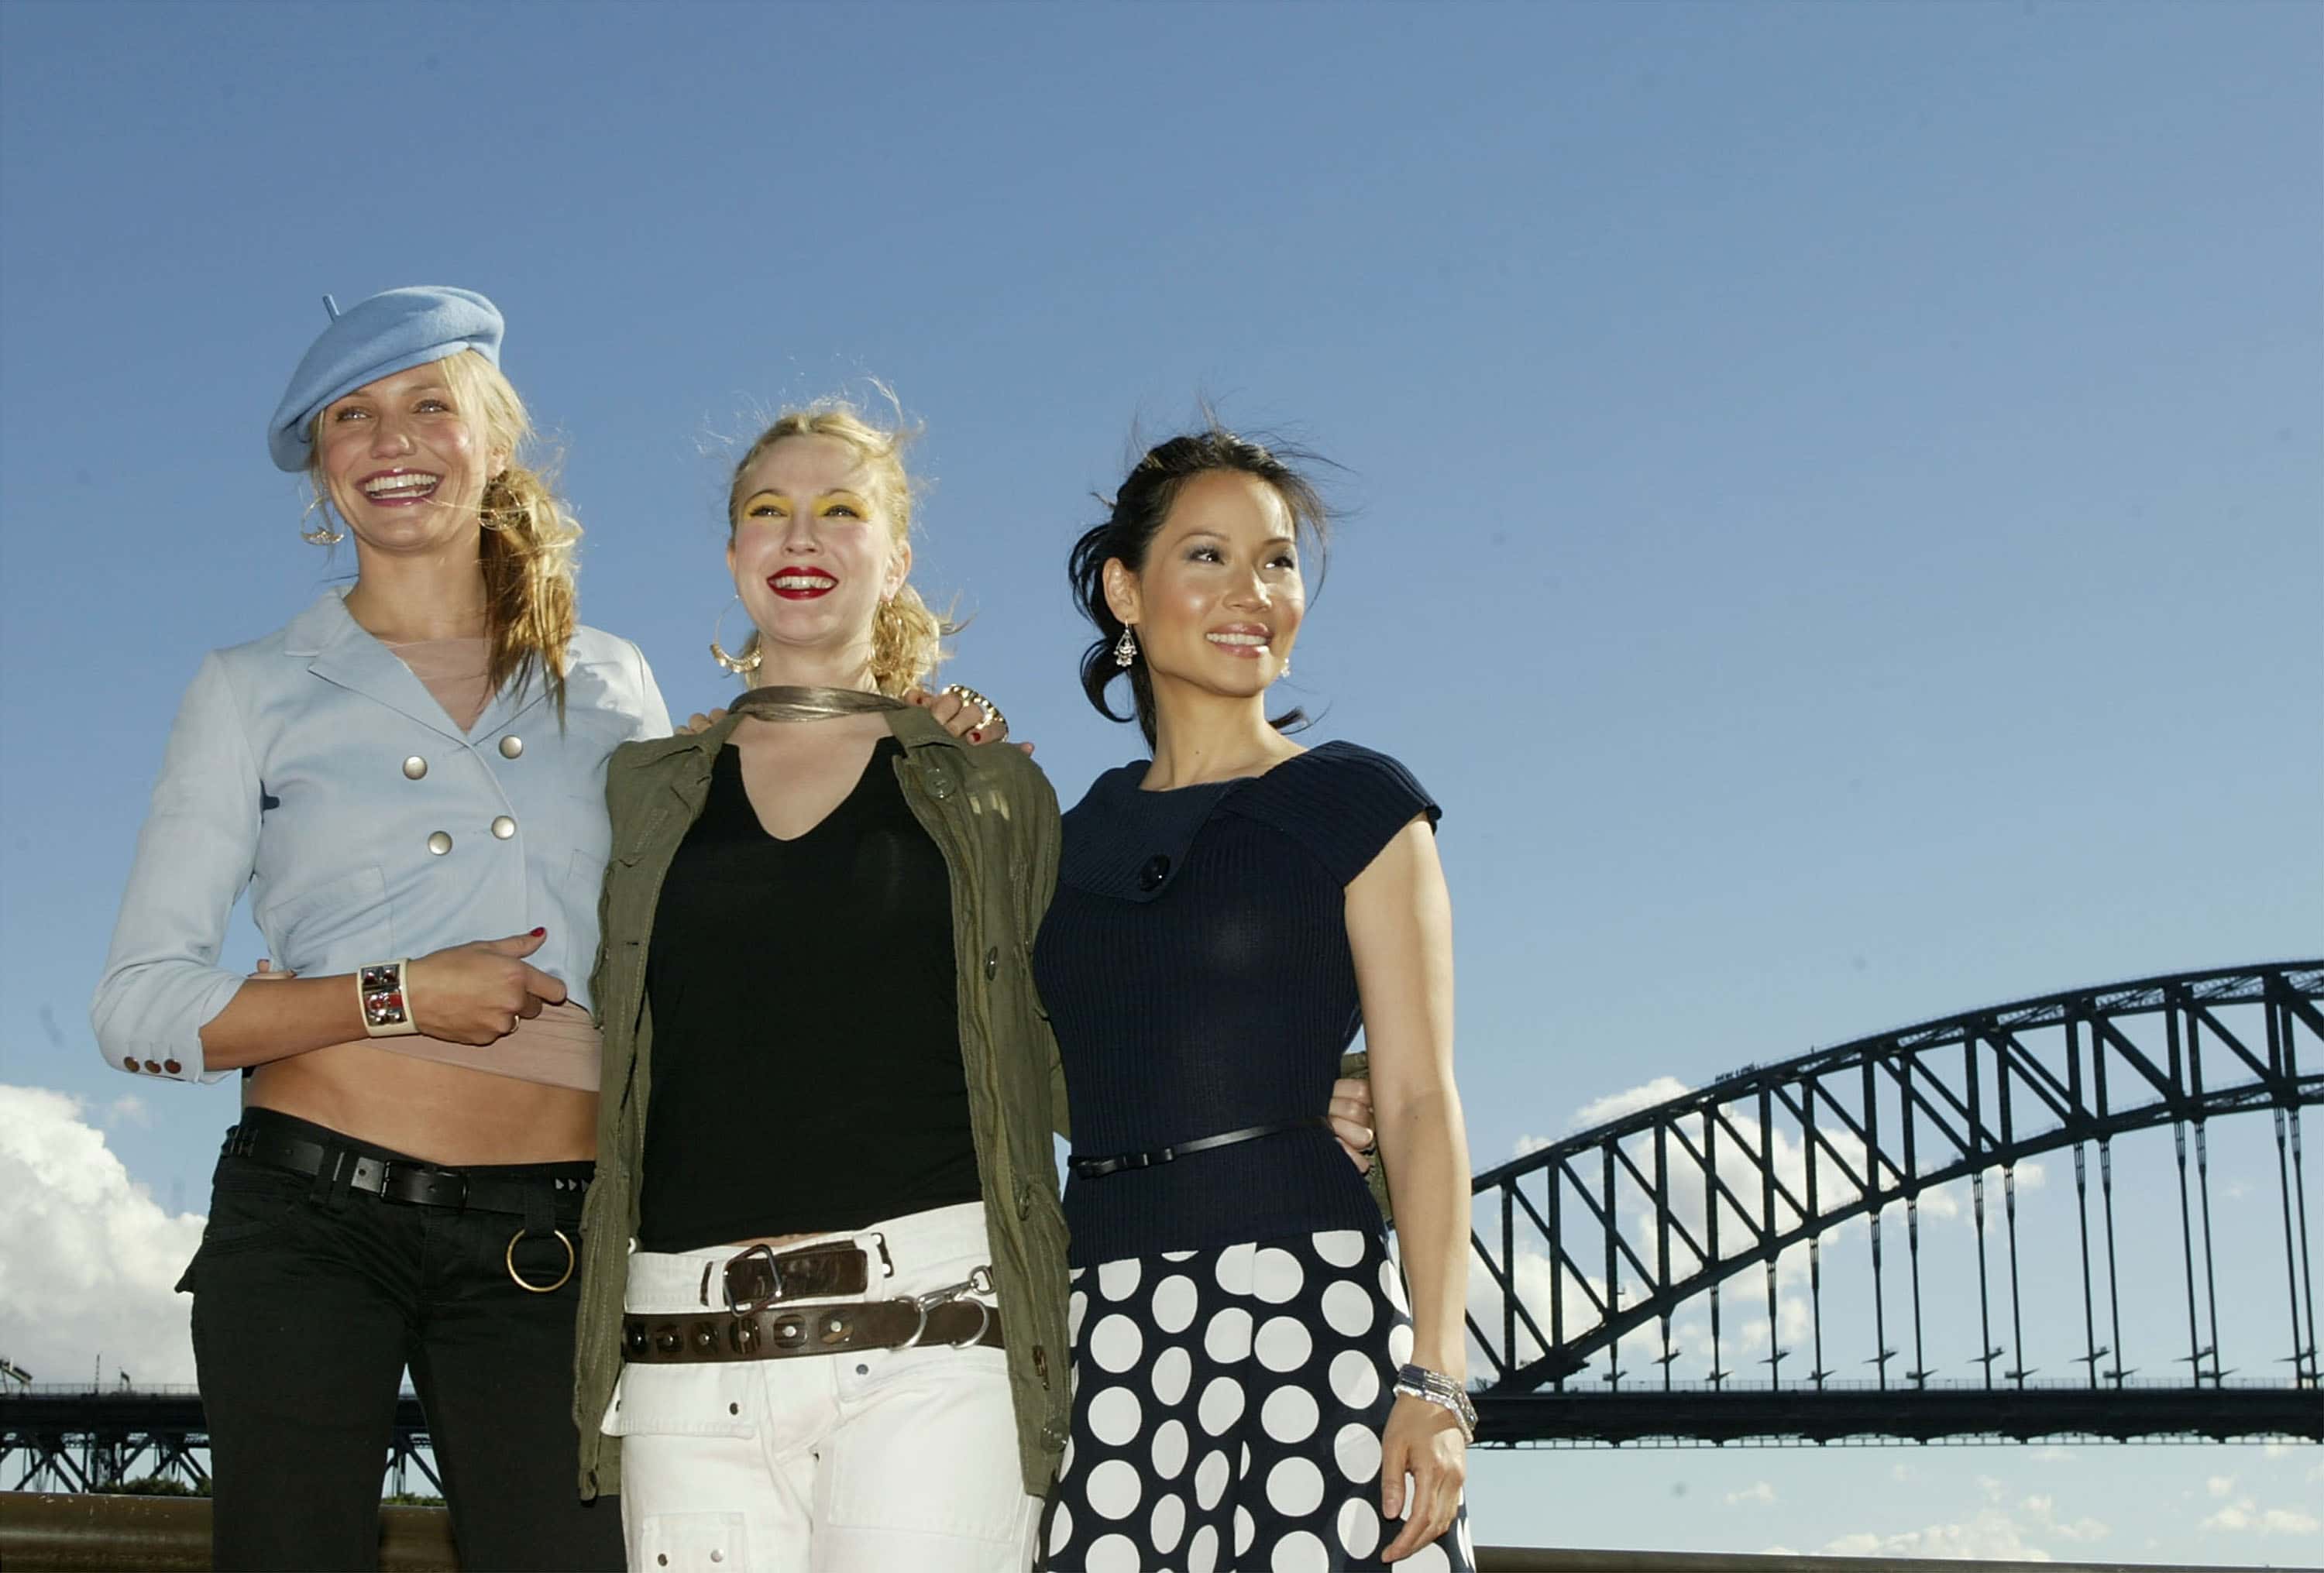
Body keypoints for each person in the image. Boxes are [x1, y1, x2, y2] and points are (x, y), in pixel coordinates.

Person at [569, 402, 1378, 1573]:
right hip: (684, 1357)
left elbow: (1089, 1024)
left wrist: (1297, 1107)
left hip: (932, 1343)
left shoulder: (990, 791)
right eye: (768, 512)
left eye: (842, 511)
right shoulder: (643, 791)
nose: (802, 537)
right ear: (735, 554)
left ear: (895, 561)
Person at [92, 287, 662, 1571]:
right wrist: (394, 995)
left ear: (495, 443)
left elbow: (708, 917)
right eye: (351, 416)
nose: (389, 440)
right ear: (321, 468)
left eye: (427, 406)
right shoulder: (250, 689)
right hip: (309, 1227)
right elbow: (138, 1004)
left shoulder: (615, 682)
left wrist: (912, 744)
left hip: (551, 1244)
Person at [1037, 429, 1476, 1572]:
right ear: (1125, 591)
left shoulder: (1357, 804)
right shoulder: (1054, 844)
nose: (1253, 595)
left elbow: (1420, 1098)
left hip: (1309, 1304)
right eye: (1209, 556)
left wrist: (1435, 1379)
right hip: (1102, 1319)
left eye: (1277, 563)